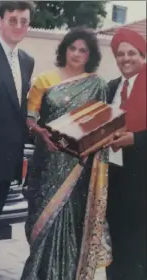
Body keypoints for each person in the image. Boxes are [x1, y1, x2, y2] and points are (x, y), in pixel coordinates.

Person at [21, 27, 112, 280]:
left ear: (90, 55)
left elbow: (99, 131)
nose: (76, 54)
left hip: (78, 168)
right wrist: (39, 132)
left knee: (72, 226)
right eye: (72, 48)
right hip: (46, 162)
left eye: (83, 50)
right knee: (41, 226)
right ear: (64, 49)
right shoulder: (45, 80)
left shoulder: (98, 86)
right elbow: (30, 117)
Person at [0, 1, 34, 278]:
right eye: (13, 19)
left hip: (5, 162)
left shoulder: (26, 61)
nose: (18, 26)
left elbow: (17, 109)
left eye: (24, 21)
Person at [106, 28, 147, 280]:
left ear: (142, 55)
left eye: (132, 53)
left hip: (143, 182)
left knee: (139, 252)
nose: (126, 58)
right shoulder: (112, 87)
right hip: (114, 180)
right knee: (117, 250)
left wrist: (136, 139)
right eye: (120, 54)